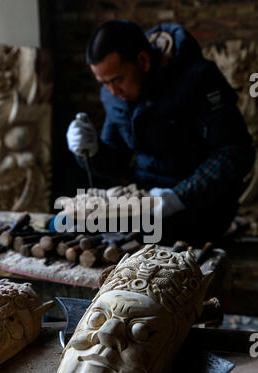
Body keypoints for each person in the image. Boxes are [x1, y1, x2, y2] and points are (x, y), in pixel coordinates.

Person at [66, 19, 255, 245]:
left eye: (117, 80)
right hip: (146, 199)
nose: (112, 91)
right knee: (71, 224)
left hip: (201, 206)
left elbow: (235, 152)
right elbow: (114, 161)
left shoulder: (199, 78)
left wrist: (178, 197)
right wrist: (90, 149)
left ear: (143, 61)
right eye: (104, 83)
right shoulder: (114, 95)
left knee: (134, 241)